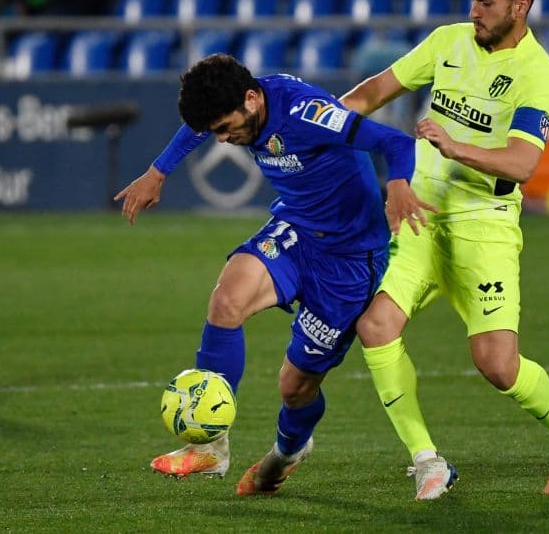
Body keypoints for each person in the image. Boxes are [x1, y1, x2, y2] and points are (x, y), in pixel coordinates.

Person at [114, 53, 433, 495]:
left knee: (295, 387)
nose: (224, 141)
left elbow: (396, 143)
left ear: (251, 99)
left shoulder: (307, 114)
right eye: (216, 133)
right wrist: (157, 172)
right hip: (297, 230)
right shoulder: (239, 101)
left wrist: (398, 186)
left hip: (350, 257)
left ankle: (288, 450)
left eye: (227, 128)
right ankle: (213, 447)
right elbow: (198, 128)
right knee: (227, 300)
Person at [341, 0, 549, 499]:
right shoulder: (447, 42)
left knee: (498, 366)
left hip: (486, 225)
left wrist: (454, 145)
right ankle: (427, 461)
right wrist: (324, 125)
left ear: (520, 6)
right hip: (421, 216)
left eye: (486, 1)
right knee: (375, 325)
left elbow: (524, 164)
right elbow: (373, 92)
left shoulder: (534, 72)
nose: (473, 10)